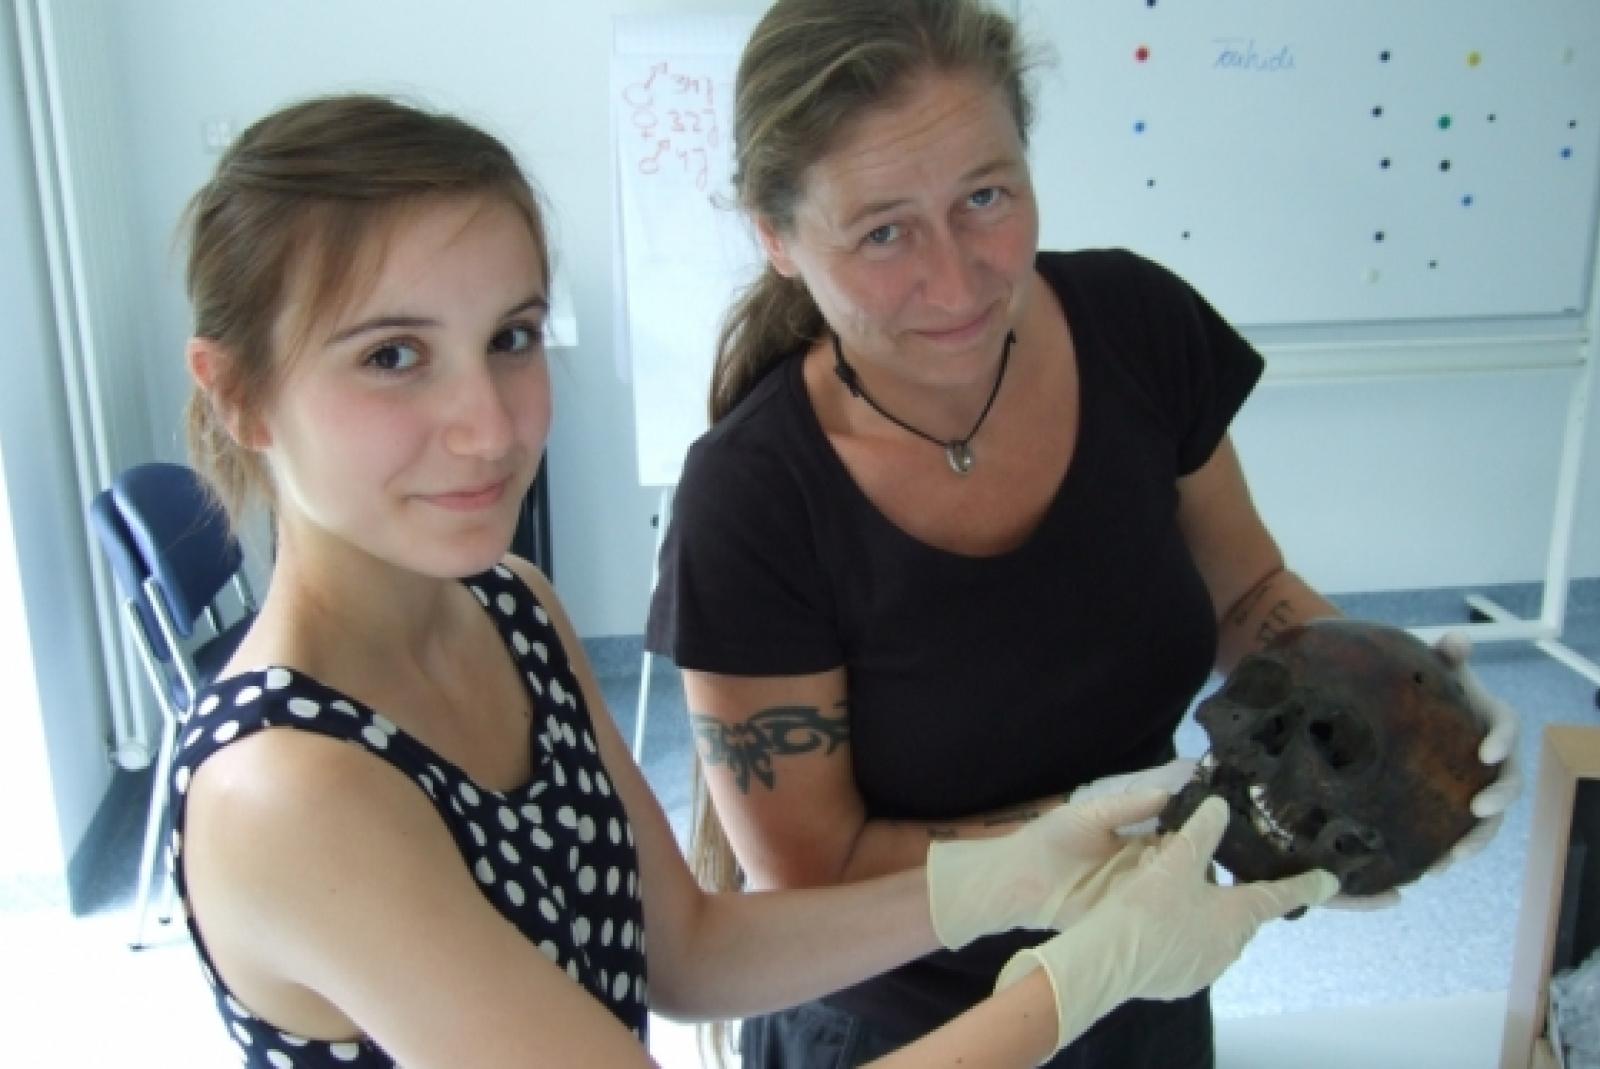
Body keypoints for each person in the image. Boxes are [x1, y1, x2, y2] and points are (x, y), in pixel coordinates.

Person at [166, 93, 1335, 1069]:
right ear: (238, 395)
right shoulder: (288, 793)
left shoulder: (509, 607)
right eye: (391, 356)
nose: (488, 425)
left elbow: (688, 949)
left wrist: (1003, 879)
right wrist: (1086, 975)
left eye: (510, 337)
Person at [643, 1, 1523, 1066]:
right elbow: (813, 870)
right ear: (776, 237)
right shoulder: (753, 503)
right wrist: (1097, 830)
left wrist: (1399, 706)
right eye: (881, 231)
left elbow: (1247, 594)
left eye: (986, 196)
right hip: (898, 1031)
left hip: (1152, 980)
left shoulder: (1136, 328)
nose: (958, 280)